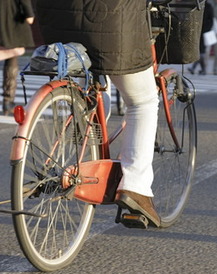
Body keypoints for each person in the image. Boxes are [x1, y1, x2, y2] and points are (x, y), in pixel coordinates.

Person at [35, 0, 161, 228]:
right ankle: (135, 186)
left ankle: (87, 142)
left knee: (85, 86)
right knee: (143, 101)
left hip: (57, 22)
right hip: (113, 21)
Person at [188, 1, 215, 75]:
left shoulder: (207, 6)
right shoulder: (197, 5)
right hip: (198, 30)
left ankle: (196, 68)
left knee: (201, 50)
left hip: (203, 31)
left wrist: (206, 30)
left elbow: (211, 20)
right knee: (200, 50)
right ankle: (202, 69)